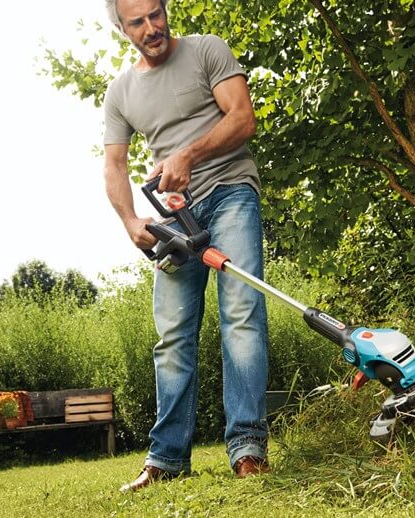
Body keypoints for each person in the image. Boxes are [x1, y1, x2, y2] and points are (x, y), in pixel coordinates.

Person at [102, 0, 270, 492]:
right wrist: (131, 219)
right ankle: (167, 457)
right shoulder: (121, 92)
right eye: (138, 21)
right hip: (175, 218)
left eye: (156, 13)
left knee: (241, 314)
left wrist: (189, 154)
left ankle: (247, 448)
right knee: (172, 334)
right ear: (122, 28)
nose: (151, 27)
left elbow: (242, 118)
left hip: (231, 191)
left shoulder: (206, 51)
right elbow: (114, 164)